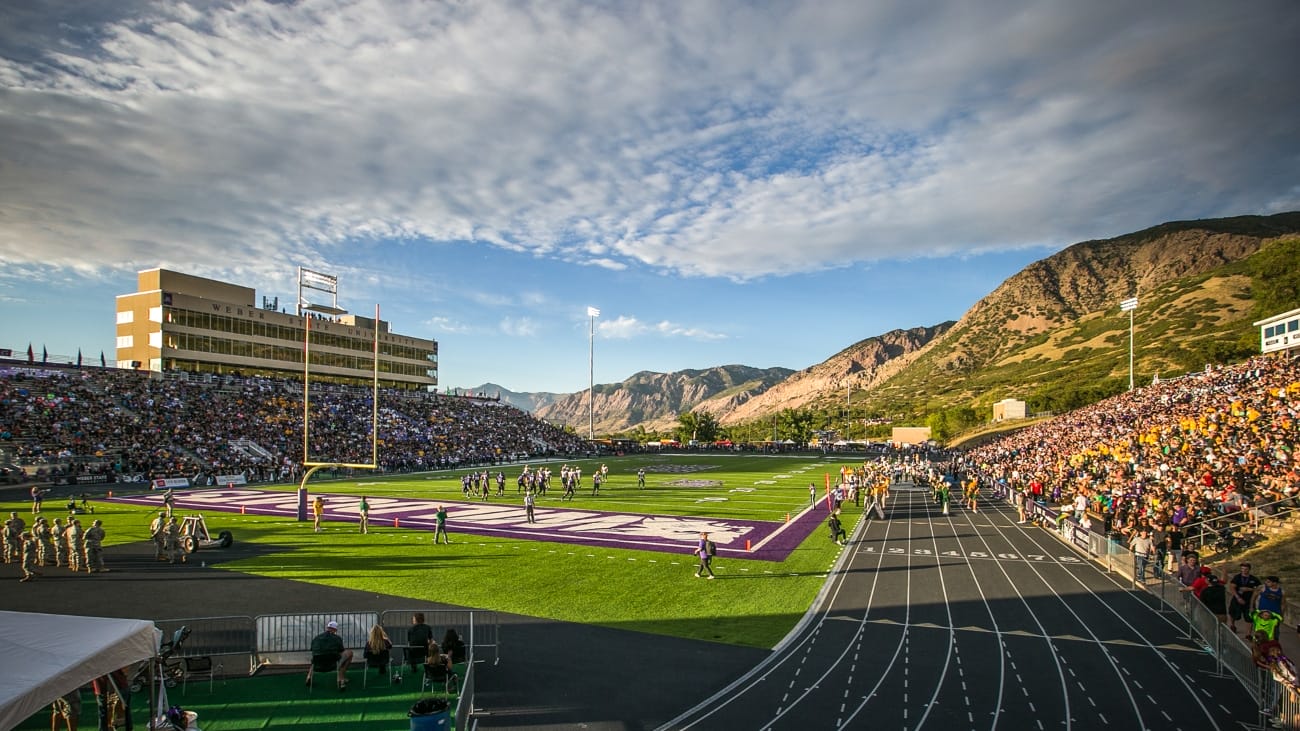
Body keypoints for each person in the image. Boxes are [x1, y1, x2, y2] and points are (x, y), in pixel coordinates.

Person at [307, 620, 353, 690]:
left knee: (316, 657)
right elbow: (341, 651)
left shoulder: (316, 638)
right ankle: (341, 678)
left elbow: (313, 651)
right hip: (332, 664)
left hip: (317, 665)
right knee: (348, 654)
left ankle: (309, 677)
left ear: (327, 628)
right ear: (335, 629)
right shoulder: (337, 638)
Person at [1229, 562, 1263, 634]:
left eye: (1246, 569)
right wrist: (1238, 597)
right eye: (1242, 569)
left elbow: (1260, 589)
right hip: (1237, 599)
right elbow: (1232, 587)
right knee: (1233, 613)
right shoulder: (1237, 577)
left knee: (1249, 617)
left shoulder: (1254, 579)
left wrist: (1249, 589)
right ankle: (1232, 625)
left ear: (1249, 569)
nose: (1244, 570)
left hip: (1249, 600)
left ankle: (1248, 634)